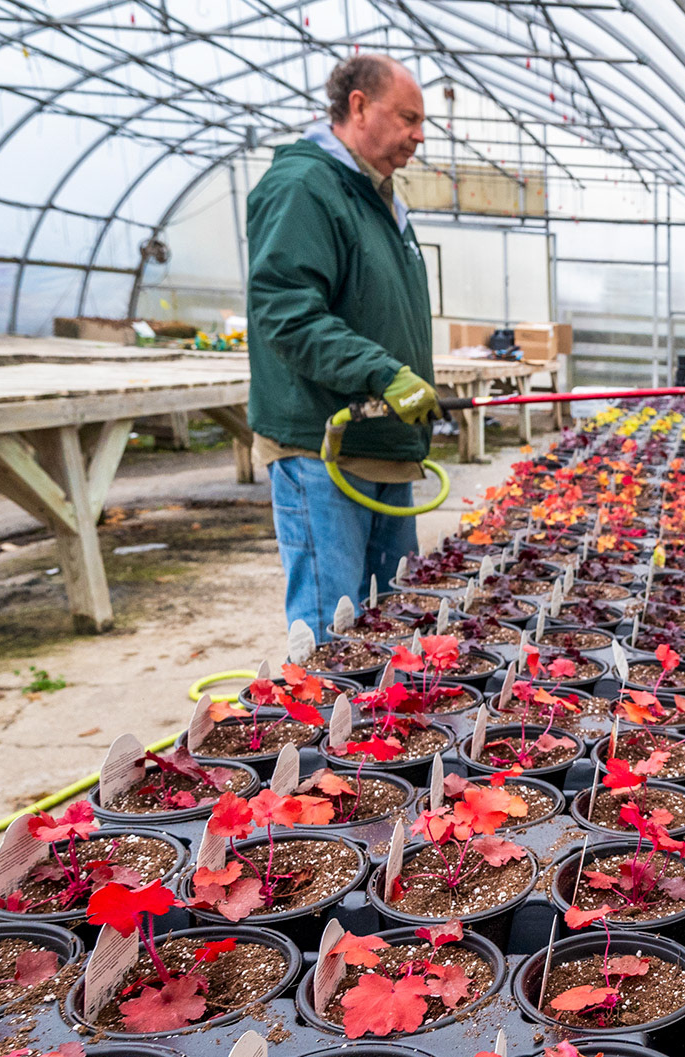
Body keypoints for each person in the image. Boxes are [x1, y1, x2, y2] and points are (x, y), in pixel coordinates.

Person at [245, 53, 440, 639]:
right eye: (407, 117)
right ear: (358, 106)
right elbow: (286, 312)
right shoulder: (306, 187)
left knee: (392, 629)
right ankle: (328, 733)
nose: (418, 134)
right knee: (333, 636)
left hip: (382, 446)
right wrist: (384, 372)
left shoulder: (377, 198)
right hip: (323, 449)